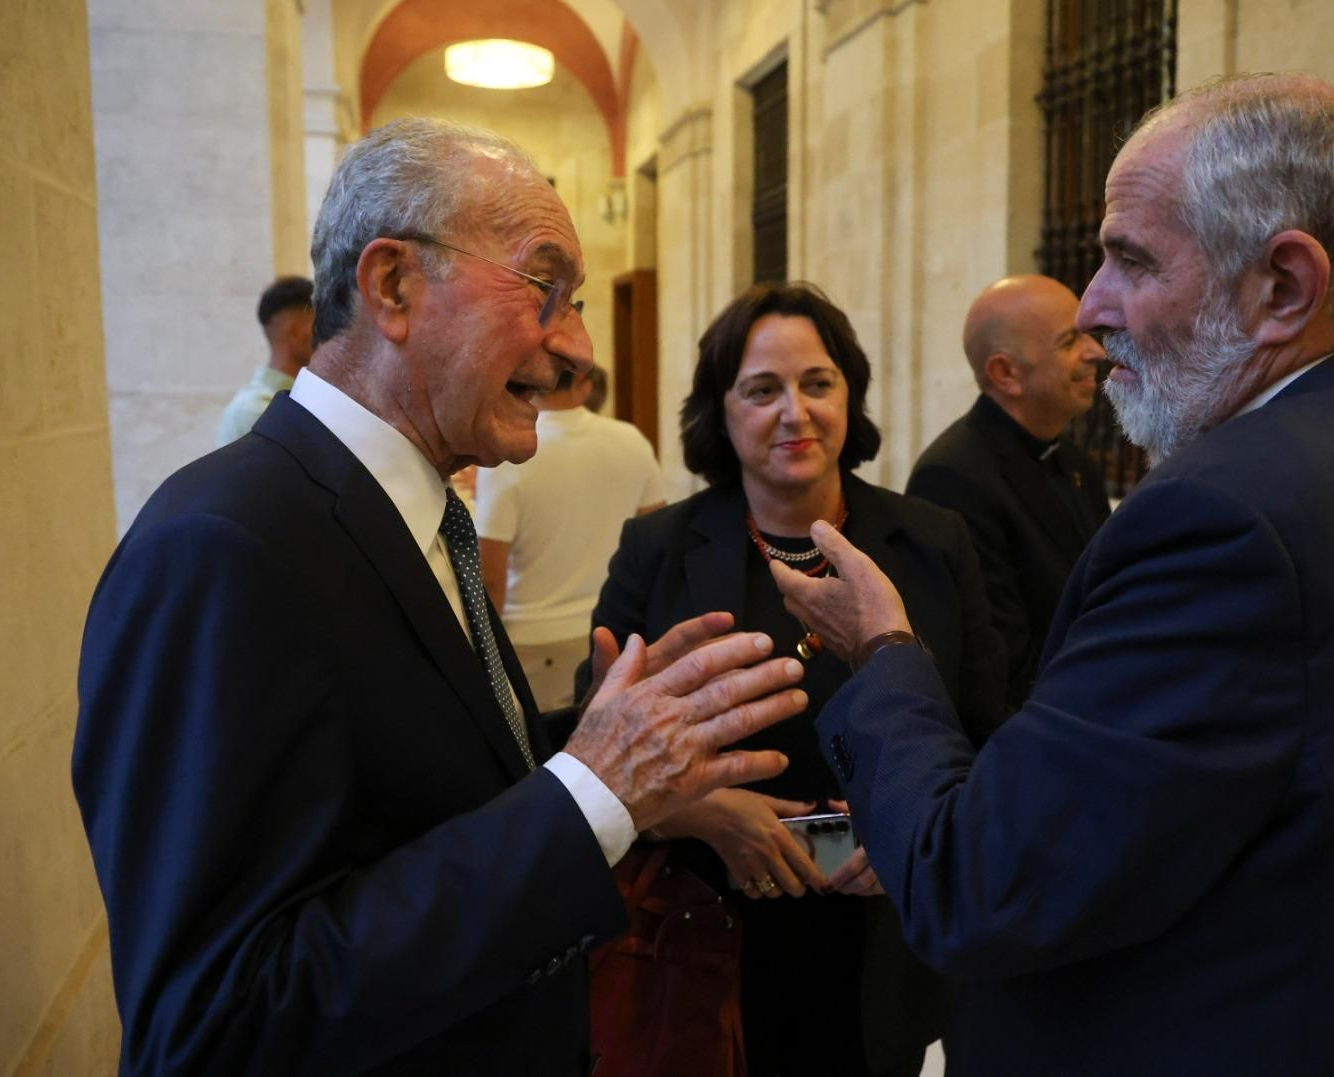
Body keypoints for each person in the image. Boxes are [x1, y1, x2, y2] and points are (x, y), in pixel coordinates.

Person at [771, 74, 1334, 1074]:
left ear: (1281, 287)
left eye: (1129, 260)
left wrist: (886, 646)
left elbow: (977, 888)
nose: (1092, 308)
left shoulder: (1231, 514)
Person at [73, 118, 808, 1076]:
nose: (577, 350)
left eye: (577, 303)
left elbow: (420, 800)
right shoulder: (221, 548)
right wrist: (591, 791)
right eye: (545, 289)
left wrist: (619, 763)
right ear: (393, 286)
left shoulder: (423, 517)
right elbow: (213, 1022)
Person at [579, 281, 1006, 1077]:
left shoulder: (931, 541)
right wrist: (700, 810)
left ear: (852, 395)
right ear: (721, 409)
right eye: (762, 389)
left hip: (882, 936)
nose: (795, 412)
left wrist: (919, 822)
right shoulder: (658, 550)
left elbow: (988, 725)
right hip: (709, 935)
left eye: (818, 383)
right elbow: (591, 753)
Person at [907, 275, 1111, 708]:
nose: (1097, 352)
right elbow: (999, 664)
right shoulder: (951, 477)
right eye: (1069, 341)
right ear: (1005, 373)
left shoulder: (1075, 463)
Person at [476, 366, 666, 711]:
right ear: (581, 382)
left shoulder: (511, 453)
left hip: (533, 642)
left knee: (542, 760)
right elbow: (657, 542)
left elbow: (490, 580)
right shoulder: (631, 440)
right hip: (614, 632)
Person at [216, 275, 316, 445]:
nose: (329, 339)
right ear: (295, 333)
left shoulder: (299, 402)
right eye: (320, 327)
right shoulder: (256, 412)